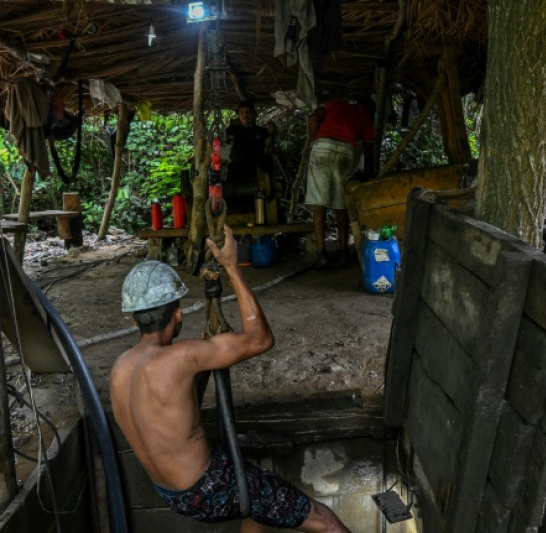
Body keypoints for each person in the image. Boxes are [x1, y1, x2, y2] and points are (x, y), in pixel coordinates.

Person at [110, 226, 352, 533]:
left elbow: (170, 413)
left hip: (169, 492)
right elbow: (260, 339)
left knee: (258, 505)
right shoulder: (184, 357)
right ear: (179, 313)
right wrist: (232, 268)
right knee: (325, 520)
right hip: (209, 489)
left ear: (133, 318)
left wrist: (201, 359)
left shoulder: (120, 368)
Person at [304, 97, 375, 269]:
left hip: (323, 148)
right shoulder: (365, 118)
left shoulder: (335, 104)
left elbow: (312, 117)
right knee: (341, 206)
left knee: (319, 205)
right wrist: (368, 175)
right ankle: (343, 253)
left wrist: (315, 139)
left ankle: (322, 254)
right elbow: (368, 151)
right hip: (345, 153)